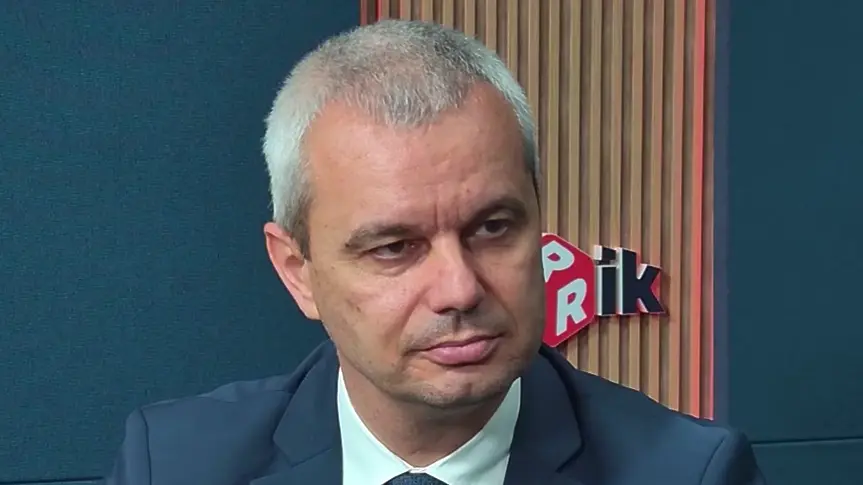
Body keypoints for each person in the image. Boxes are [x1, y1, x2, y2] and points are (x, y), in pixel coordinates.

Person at [106, 19, 765, 485]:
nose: (460, 289)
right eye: (394, 247)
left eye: (492, 228)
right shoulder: (173, 465)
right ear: (297, 272)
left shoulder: (688, 473)